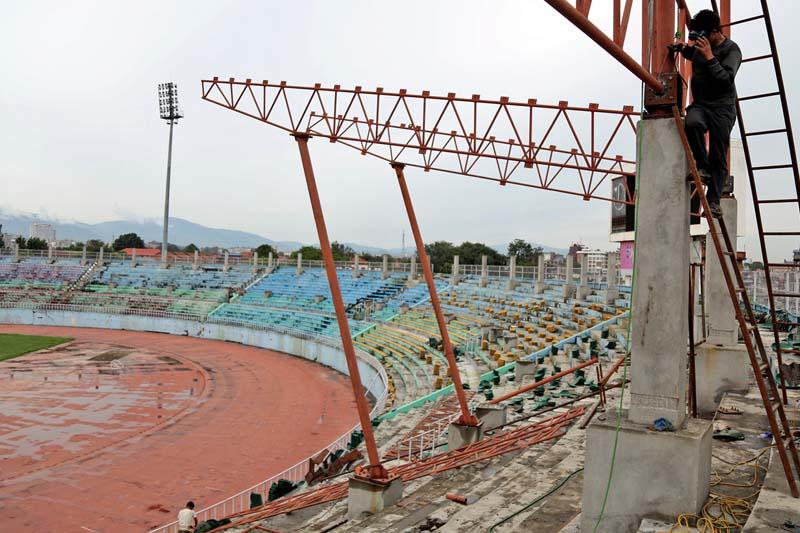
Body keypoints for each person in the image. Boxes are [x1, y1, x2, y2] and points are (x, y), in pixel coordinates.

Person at [679, 9, 742, 217]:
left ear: (715, 32)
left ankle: (714, 201)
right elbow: (692, 54)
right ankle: (702, 166)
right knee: (692, 124)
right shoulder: (701, 45)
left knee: (718, 152)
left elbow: (725, 79)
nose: (700, 40)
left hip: (722, 108)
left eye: (703, 36)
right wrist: (682, 49)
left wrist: (709, 57)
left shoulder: (731, 50)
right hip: (702, 105)